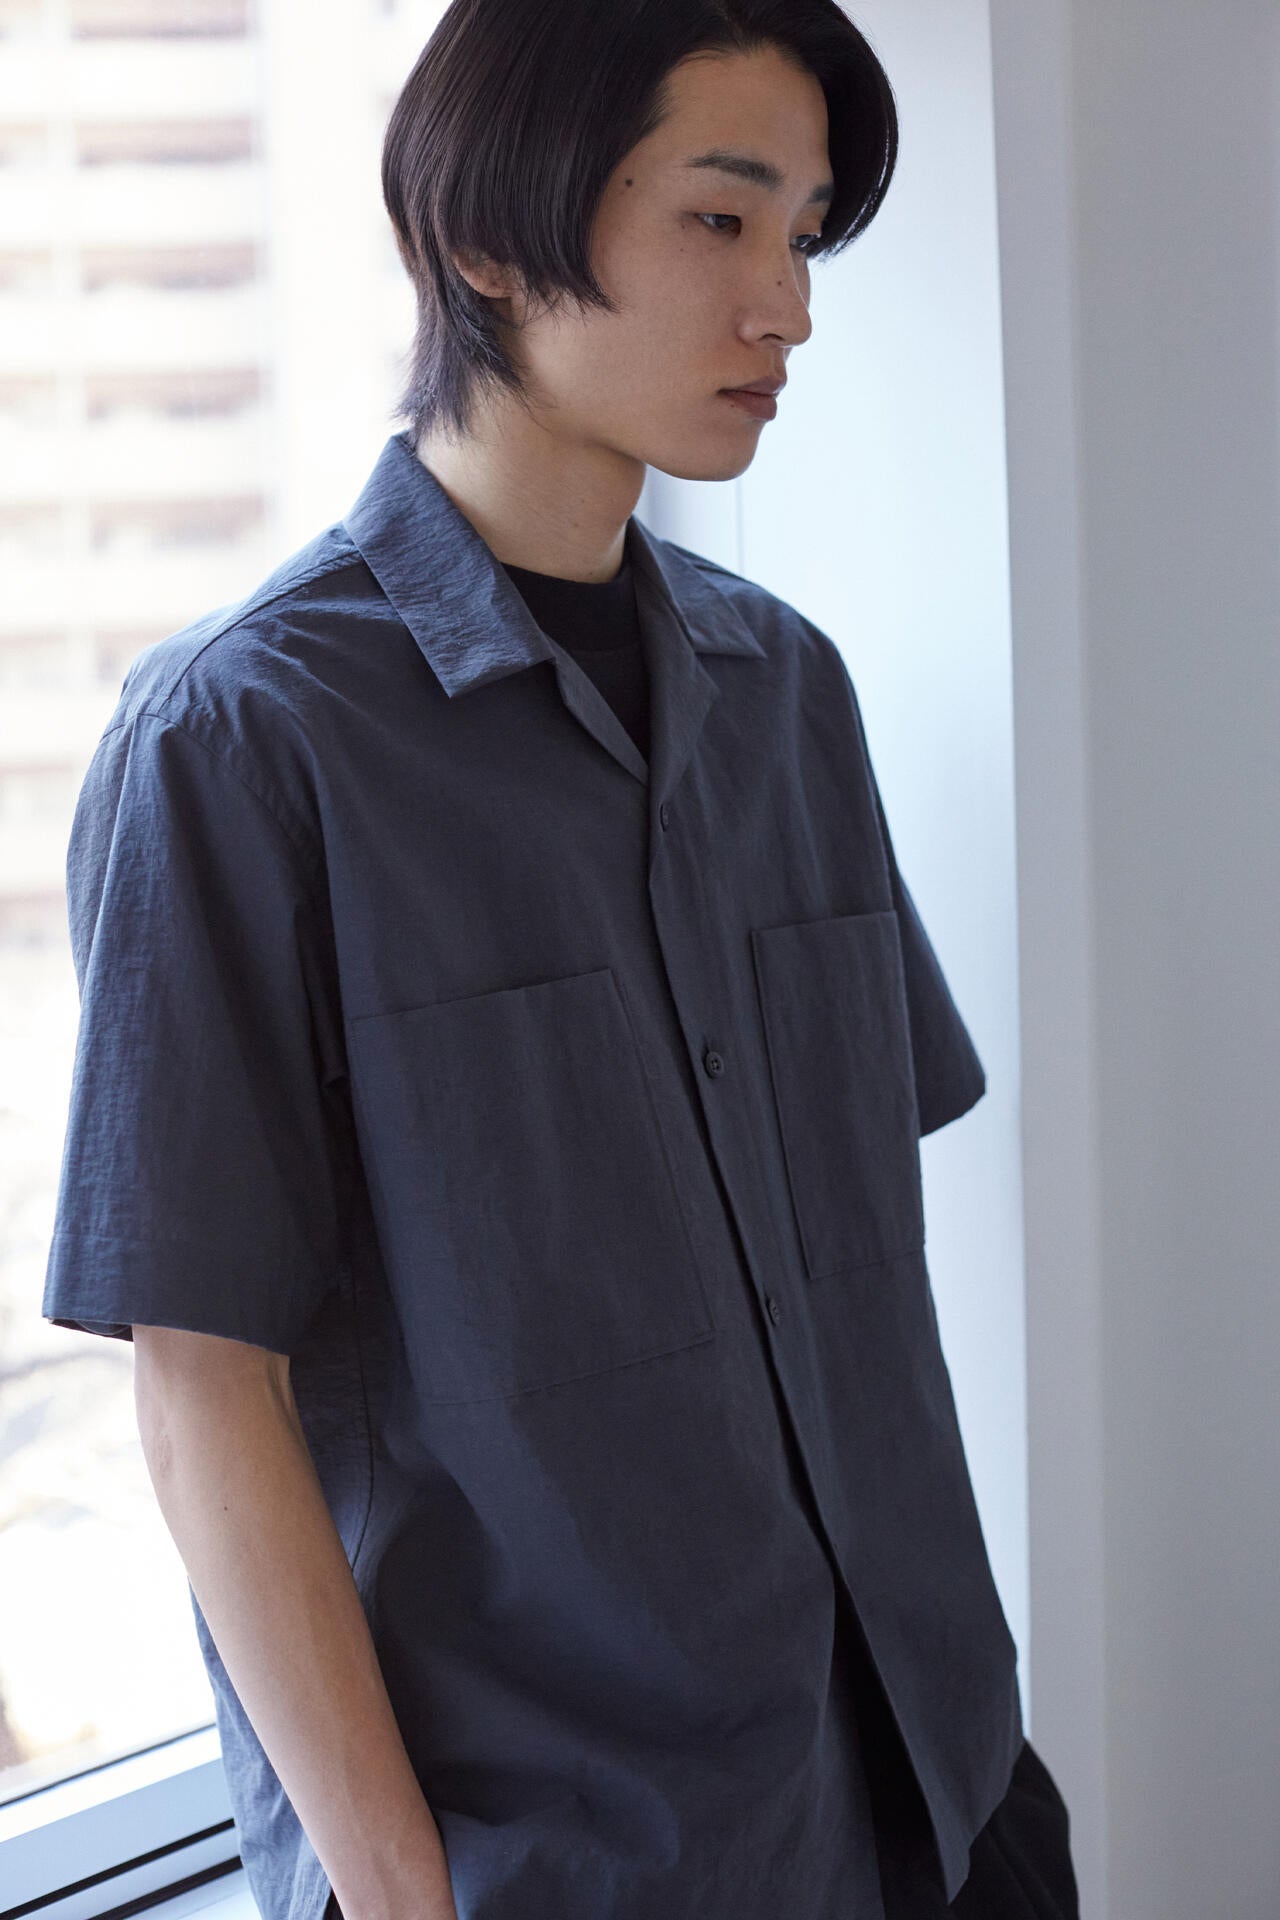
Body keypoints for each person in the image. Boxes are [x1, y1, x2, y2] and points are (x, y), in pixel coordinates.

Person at [41, 2, 1080, 1916]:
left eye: (806, 234)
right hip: (572, 1863)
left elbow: (846, 1276)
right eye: (720, 220)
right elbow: (202, 1392)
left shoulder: (789, 694)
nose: (787, 307)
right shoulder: (247, 741)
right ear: (487, 240)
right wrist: (398, 1893)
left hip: (934, 1794)